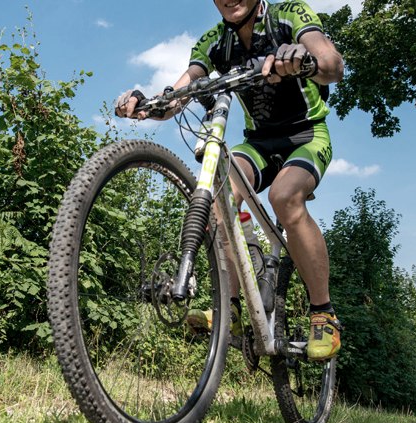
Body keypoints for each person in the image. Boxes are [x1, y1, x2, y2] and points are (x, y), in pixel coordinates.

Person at [115, 0, 344, 361]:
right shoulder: (214, 42)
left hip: (306, 136)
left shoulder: (289, 14)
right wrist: (147, 104)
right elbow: (180, 93)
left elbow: (332, 65)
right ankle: (232, 310)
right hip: (259, 142)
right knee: (220, 199)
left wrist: (304, 59)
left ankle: (324, 314)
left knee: (284, 198)